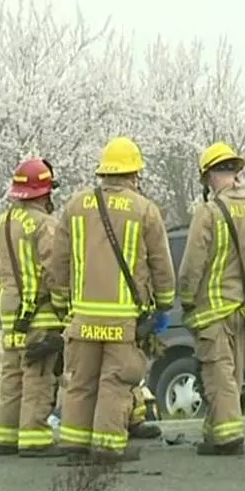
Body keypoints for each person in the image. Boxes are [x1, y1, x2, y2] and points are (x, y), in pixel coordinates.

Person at [48, 137, 176, 463]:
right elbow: (161, 265)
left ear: (103, 172)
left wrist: (64, 306)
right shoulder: (145, 210)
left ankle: (74, 445)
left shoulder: (75, 206)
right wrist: (163, 305)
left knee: (80, 382)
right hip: (123, 321)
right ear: (134, 173)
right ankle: (106, 447)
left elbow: (58, 264)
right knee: (116, 383)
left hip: (82, 319)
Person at [177, 141, 245, 457]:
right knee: (233, 376)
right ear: (235, 172)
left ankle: (226, 438)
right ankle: (215, 432)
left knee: (217, 375)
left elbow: (193, 263)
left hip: (213, 312)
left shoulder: (209, 213)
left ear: (209, 177)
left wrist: (187, 298)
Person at [0, 158, 66, 457]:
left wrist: (8, 294)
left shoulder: (1, 224)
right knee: (38, 376)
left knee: (12, 376)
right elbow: (56, 271)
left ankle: (6, 436)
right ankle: (35, 439)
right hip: (40, 313)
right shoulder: (45, 225)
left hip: (9, 313)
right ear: (44, 192)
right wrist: (63, 308)